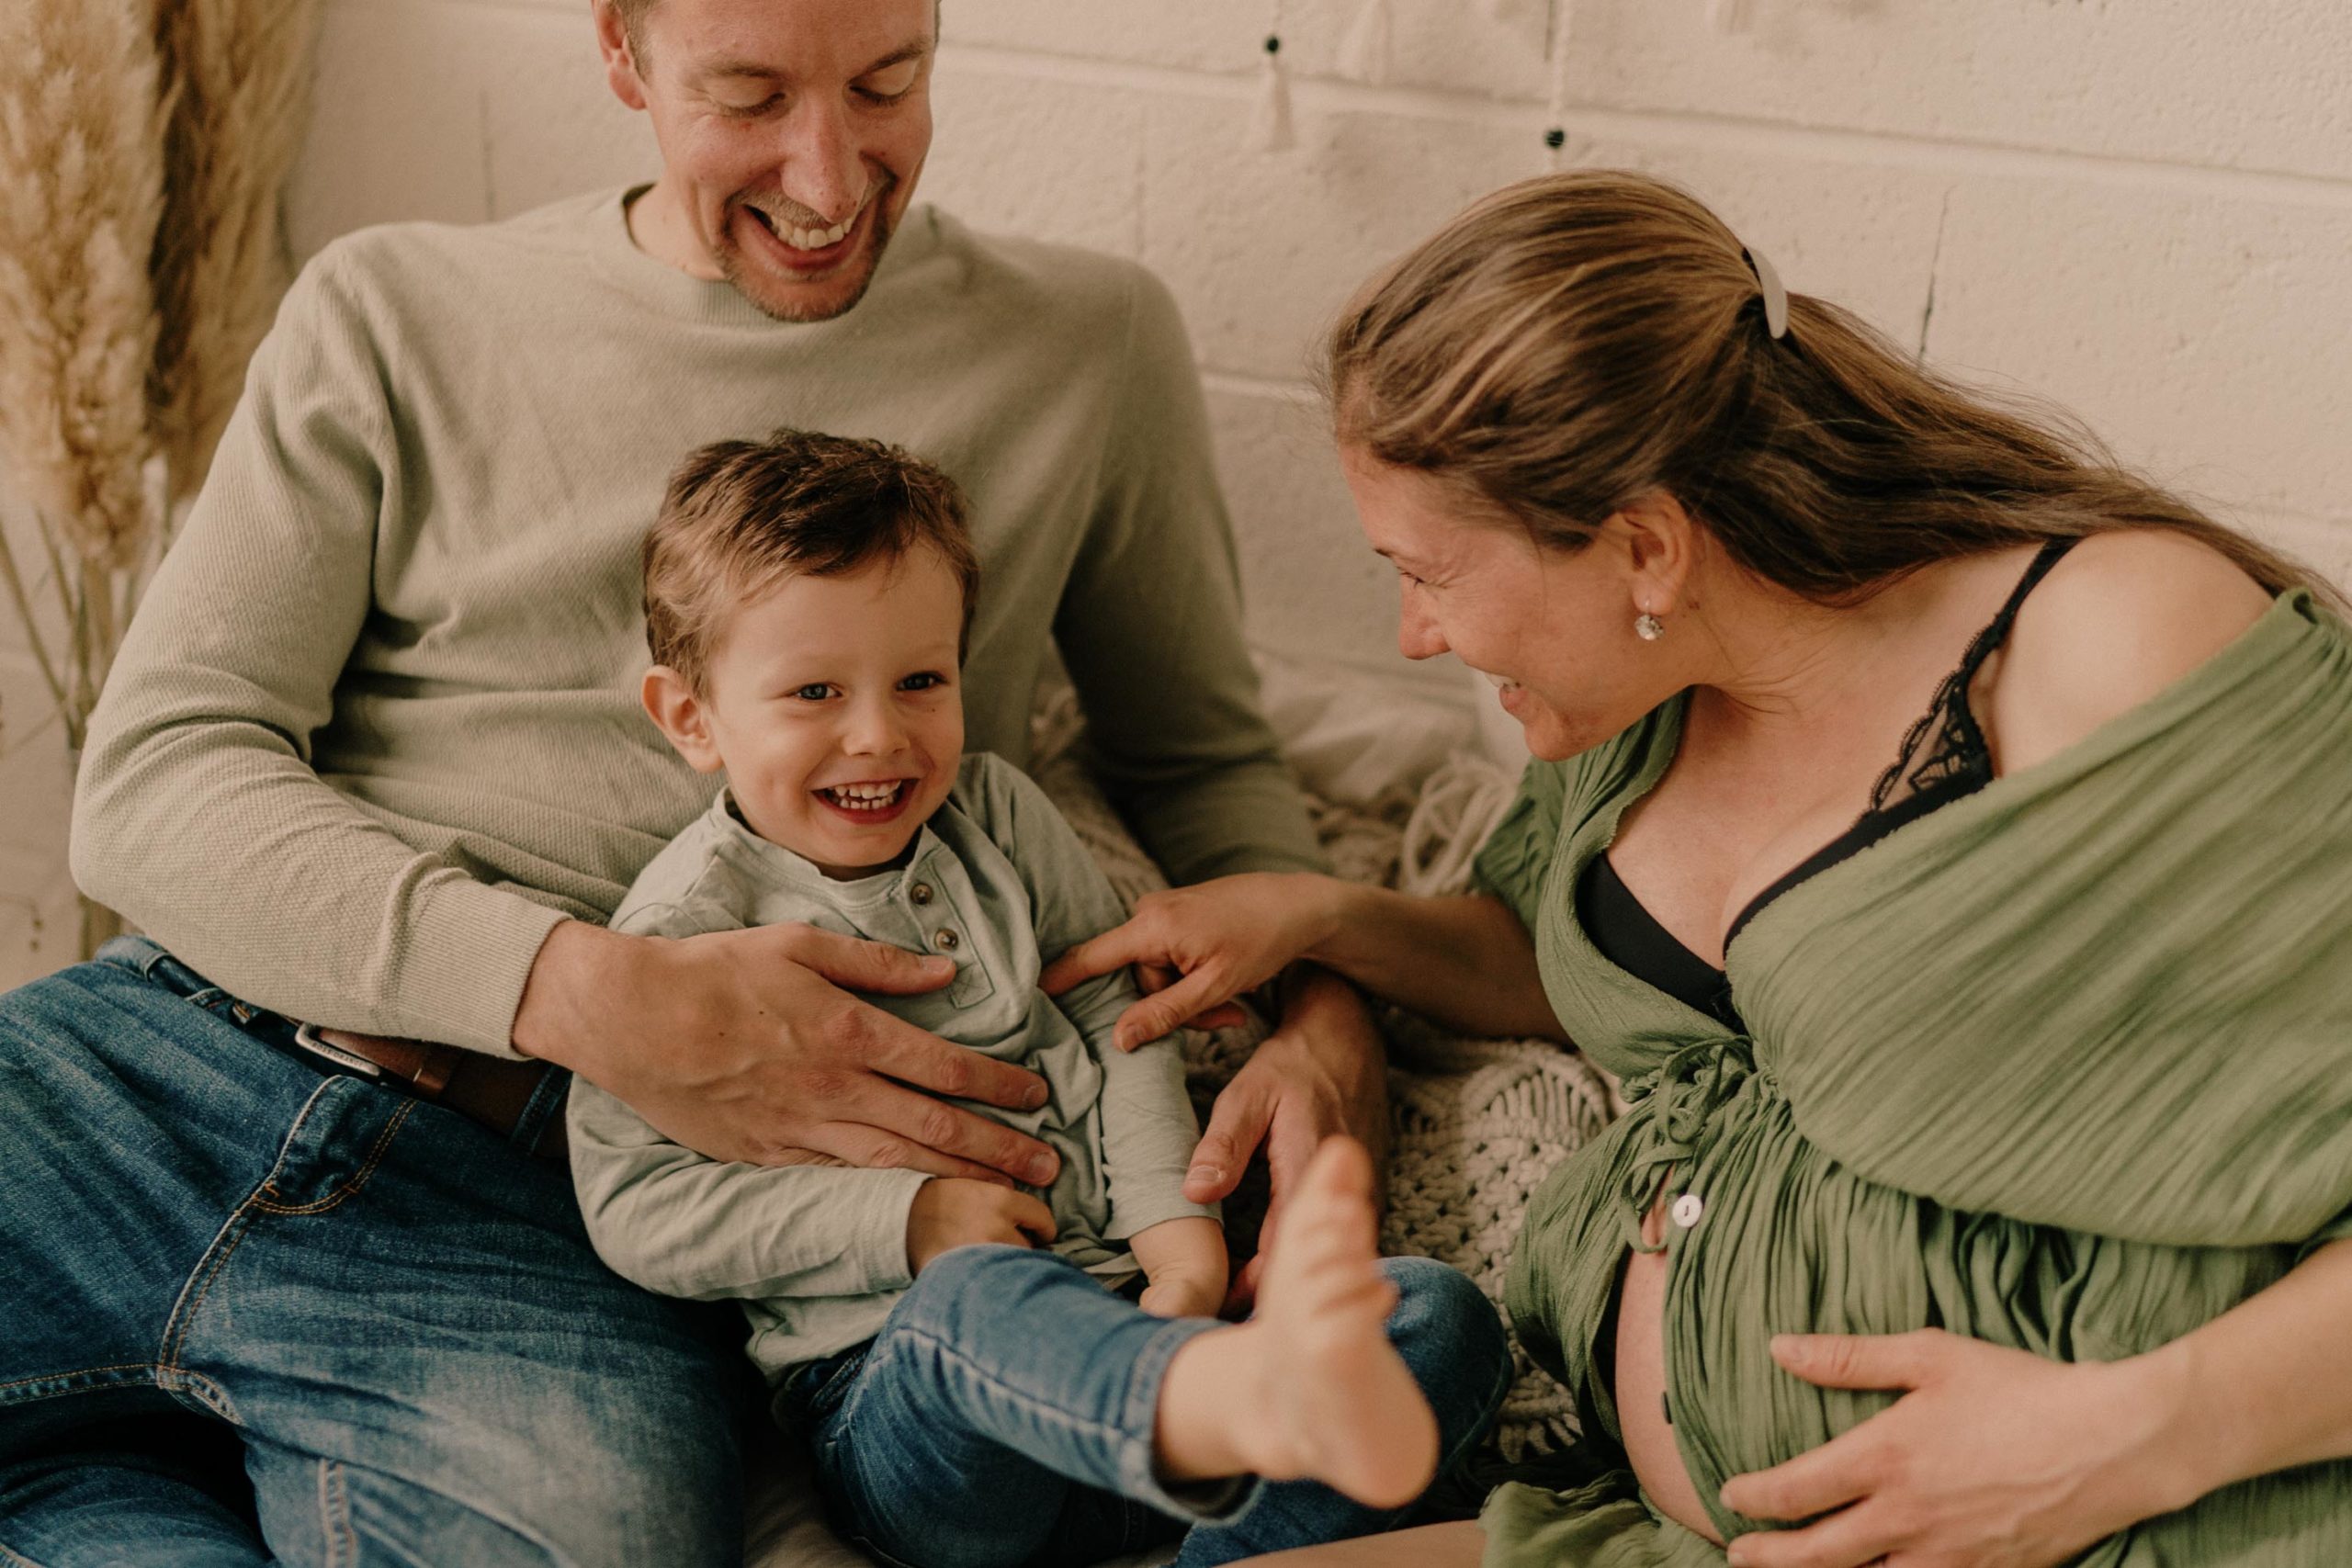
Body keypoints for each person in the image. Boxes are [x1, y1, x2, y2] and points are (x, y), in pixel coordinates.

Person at [0, 0, 1386, 1560]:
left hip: (556, 1207)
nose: (829, 170)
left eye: (888, 84)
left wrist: (1328, 1025)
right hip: (179, 1054)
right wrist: (593, 990)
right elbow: (157, 774)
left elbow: (1205, 764)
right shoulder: (396, 305)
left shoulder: (1088, 343)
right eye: (748, 95)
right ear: (621, 56)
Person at [1044, 170, 2352, 1567]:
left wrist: (2106, 1444)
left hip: (2105, 1520)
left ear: (1646, 546)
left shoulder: (2110, 638)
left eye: (1429, 572)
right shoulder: (1626, 707)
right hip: (1694, 1531)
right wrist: (1332, 921)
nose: (1414, 633)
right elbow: (1550, 957)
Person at [566, 427, 1508, 1568]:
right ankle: (1196, 1412)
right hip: (918, 1411)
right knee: (978, 1296)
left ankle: (1216, 1494)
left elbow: (1120, 1028)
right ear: (691, 718)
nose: (879, 734)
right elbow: (635, 1207)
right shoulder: (678, 939)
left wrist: (1180, 1247)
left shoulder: (1001, 820)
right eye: (813, 691)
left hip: (1155, 1325)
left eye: (921, 680)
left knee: (1437, 1315)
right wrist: (906, 1223)